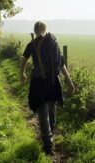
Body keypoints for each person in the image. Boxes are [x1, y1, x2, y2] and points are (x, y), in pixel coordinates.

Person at [20, 21, 75, 155]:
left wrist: (22, 73)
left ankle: (47, 143)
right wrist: (70, 83)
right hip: (53, 82)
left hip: (38, 82)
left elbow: (24, 59)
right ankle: (51, 133)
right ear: (46, 29)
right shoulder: (53, 44)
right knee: (52, 107)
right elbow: (62, 65)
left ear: (35, 30)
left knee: (42, 111)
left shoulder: (32, 44)